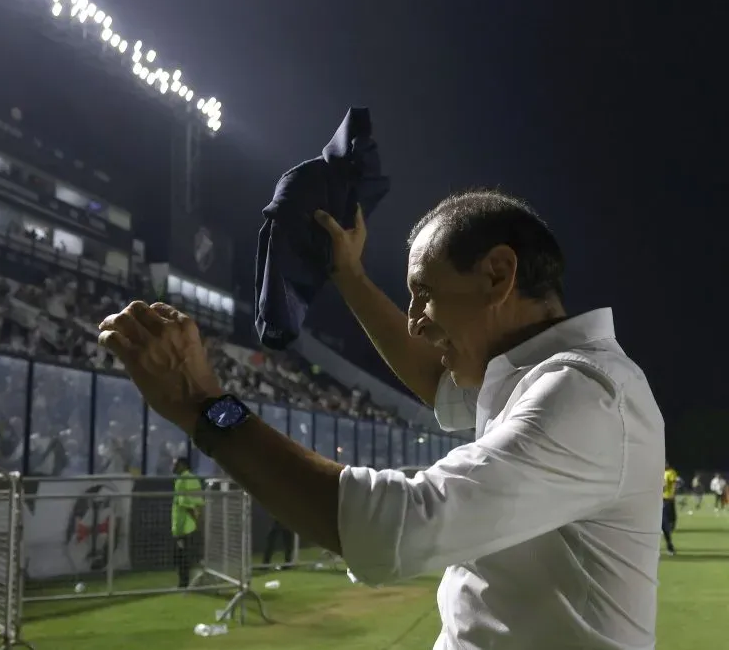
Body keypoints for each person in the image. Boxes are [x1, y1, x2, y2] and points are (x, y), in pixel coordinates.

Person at [98, 190, 664, 650]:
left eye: (424, 295)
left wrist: (204, 407)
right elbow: (440, 380)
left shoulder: (588, 394)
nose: (414, 322)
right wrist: (348, 273)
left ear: (497, 274)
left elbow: (403, 524)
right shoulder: (530, 377)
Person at [171, 456, 203, 589]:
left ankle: (183, 584)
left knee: (183, 557)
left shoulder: (185, 479)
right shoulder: (187, 479)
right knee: (182, 556)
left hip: (185, 525)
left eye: (175, 464)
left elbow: (187, 503)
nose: (172, 467)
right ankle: (184, 582)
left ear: (183, 465)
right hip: (183, 525)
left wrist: (195, 519)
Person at [662, 462, 678, 555]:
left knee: (666, 523)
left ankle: (669, 547)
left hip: (667, 499)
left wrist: (673, 494)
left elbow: (673, 484)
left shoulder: (670, 472)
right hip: (658, 500)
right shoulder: (658, 472)